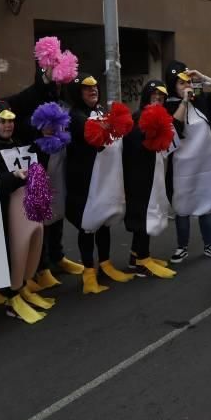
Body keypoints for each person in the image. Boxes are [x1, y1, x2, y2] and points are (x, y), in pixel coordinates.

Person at [0, 101, 53, 323]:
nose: (7, 125)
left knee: (32, 245)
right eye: (2, 121)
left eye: (10, 121)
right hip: (4, 210)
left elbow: (39, 162)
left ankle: (22, 288)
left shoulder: (20, 142)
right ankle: (11, 298)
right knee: (13, 250)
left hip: (28, 207)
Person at [3, 65, 84, 288]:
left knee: (57, 210)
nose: (57, 84)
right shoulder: (29, 98)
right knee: (41, 213)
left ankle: (58, 257)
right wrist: (38, 131)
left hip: (60, 159)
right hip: (38, 161)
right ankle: (42, 266)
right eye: (53, 79)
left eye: (60, 81)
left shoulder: (64, 98)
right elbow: (14, 123)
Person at [65, 74, 135, 293]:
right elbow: (92, 133)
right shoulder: (74, 115)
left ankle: (105, 263)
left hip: (105, 179)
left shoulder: (101, 110)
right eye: (87, 89)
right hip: (85, 182)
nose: (93, 90)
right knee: (88, 225)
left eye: (95, 87)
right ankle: (88, 272)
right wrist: (112, 123)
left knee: (105, 222)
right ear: (78, 93)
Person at [164, 61, 211, 264]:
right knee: (182, 207)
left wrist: (202, 77)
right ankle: (181, 247)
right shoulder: (168, 106)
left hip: (205, 167)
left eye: (188, 83)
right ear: (172, 86)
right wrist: (184, 103)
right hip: (180, 169)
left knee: (206, 203)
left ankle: (209, 244)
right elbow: (172, 130)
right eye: (180, 84)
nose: (186, 87)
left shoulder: (204, 102)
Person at [123, 80, 178, 279]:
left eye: (161, 97)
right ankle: (141, 262)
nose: (158, 99)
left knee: (150, 211)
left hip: (152, 172)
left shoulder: (160, 118)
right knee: (142, 214)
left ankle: (135, 256)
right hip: (138, 176)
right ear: (146, 96)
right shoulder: (137, 118)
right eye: (154, 95)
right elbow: (134, 147)